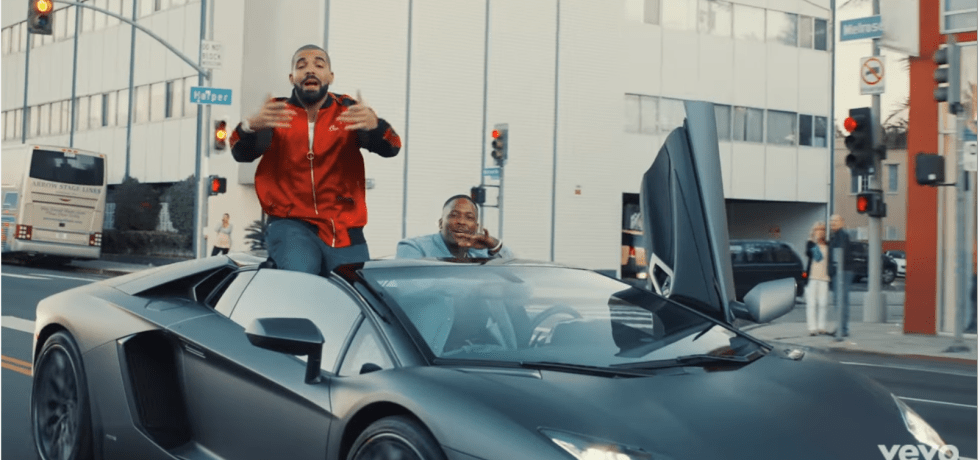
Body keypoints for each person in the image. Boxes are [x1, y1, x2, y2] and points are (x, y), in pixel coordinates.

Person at [229, 44, 401, 276]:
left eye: (319, 65)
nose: (310, 70)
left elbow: (392, 147)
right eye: (301, 66)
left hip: (345, 228)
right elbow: (241, 153)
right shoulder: (276, 113)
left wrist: (376, 126)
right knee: (302, 280)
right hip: (291, 223)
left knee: (354, 290)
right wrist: (251, 126)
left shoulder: (349, 111)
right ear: (292, 78)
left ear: (330, 76)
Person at [396, 195, 513, 259]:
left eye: (469, 217)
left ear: (476, 227)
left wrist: (494, 245)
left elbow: (514, 273)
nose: (461, 222)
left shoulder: (482, 252)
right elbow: (403, 286)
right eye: (454, 215)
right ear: (441, 223)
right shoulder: (414, 247)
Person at [828, 214, 853, 338]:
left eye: (835, 221)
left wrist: (834, 268)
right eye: (831, 221)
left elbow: (840, 254)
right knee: (839, 301)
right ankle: (841, 328)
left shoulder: (842, 235)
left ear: (842, 222)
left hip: (842, 272)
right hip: (839, 272)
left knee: (841, 301)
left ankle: (843, 329)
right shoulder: (836, 236)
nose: (832, 223)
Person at [803, 221, 830, 336]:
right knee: (811, 304)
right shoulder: (810, 244)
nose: (820, 232)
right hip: (812, 277)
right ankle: (812, 328)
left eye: (822, 229)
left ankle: (821, 327)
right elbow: (814, 255)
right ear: (813, 231)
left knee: (823, 304)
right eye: (817, 229)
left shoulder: (829, 244)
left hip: (825, 277)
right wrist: (815, 241)